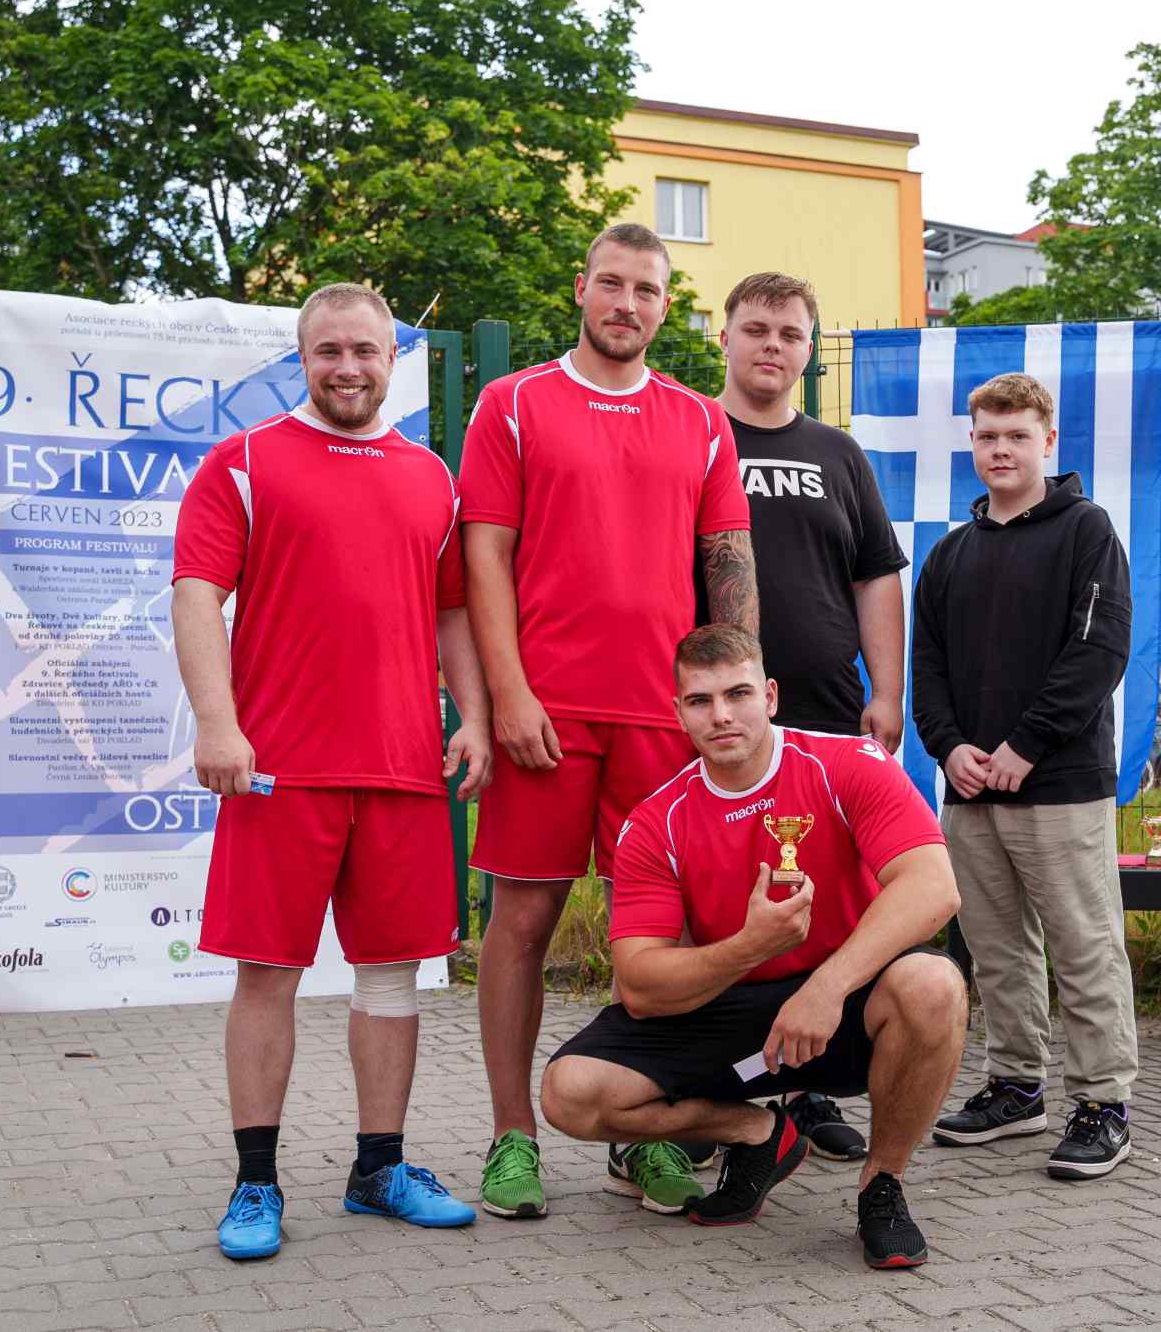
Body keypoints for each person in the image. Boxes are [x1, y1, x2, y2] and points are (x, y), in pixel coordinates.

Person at [172, 283, 491, 1260]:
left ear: (392, 359)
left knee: (391, 976)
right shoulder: (244, 462)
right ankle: (255, 1182)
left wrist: (476, 716)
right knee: (266, 972)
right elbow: (196, 594)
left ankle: (378, 1169)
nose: (347, 367)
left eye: (364, 351)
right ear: (301, 358)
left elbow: (451, 613)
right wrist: (217, 723)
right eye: (328, 351)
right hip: (279, 770)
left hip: (401, 768)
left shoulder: (431, 477)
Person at [460, 223, 758, 1219]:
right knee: (522, 924)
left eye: (647, 290)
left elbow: (726, 563)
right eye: (612, 284)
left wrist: (736, 695)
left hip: (663, 721)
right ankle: (512, 1135)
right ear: (581, 288)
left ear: (666, 307)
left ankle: (646, 1133)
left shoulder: (700, 421)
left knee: (666, 938)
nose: (627, 303)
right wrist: (507, 692)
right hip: (546, 716)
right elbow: (484, 555)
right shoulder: (513, 402)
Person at [540, 625, 967, 1268]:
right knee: (570, 1092)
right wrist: (749, 946)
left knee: (934, 986)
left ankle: (883, 1184)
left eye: (737, 694)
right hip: (732, 1011)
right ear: (678, 713)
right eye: (700, 700)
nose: (721, 715)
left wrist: (826, 987)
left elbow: (935, 888)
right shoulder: (655, 821)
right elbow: (640, 984)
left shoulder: (847, 763)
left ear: (769, 696)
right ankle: (760, 1133)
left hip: (843, 1004)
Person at [909, 371, 1140, 1179]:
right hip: (970, 787)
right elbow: (928, 665)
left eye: (1016, 436)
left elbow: (1099, 651)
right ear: (971, 444)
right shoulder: (951, 553)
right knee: (996, 948)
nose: (1000, 449)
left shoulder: (1086, 531)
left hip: (1060, 783)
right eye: (986, 436)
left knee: (1084, 947)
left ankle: (1104, 1103)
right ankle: (1015, 1087)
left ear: (1048, 441)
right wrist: (949, 748)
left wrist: (1026, 745)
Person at [714, 272, 909, 1163]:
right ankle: (724, 1086)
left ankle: (809, 1082)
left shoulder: (838, 452)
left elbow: (876, 576)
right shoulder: (692, 433)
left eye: (791, 334)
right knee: (724, 903)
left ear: (807, 352)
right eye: (757, 329)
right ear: (724, 337)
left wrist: (886, 691)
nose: (774, 346)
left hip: (826, 712)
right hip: (718, 716)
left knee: (816, 900)